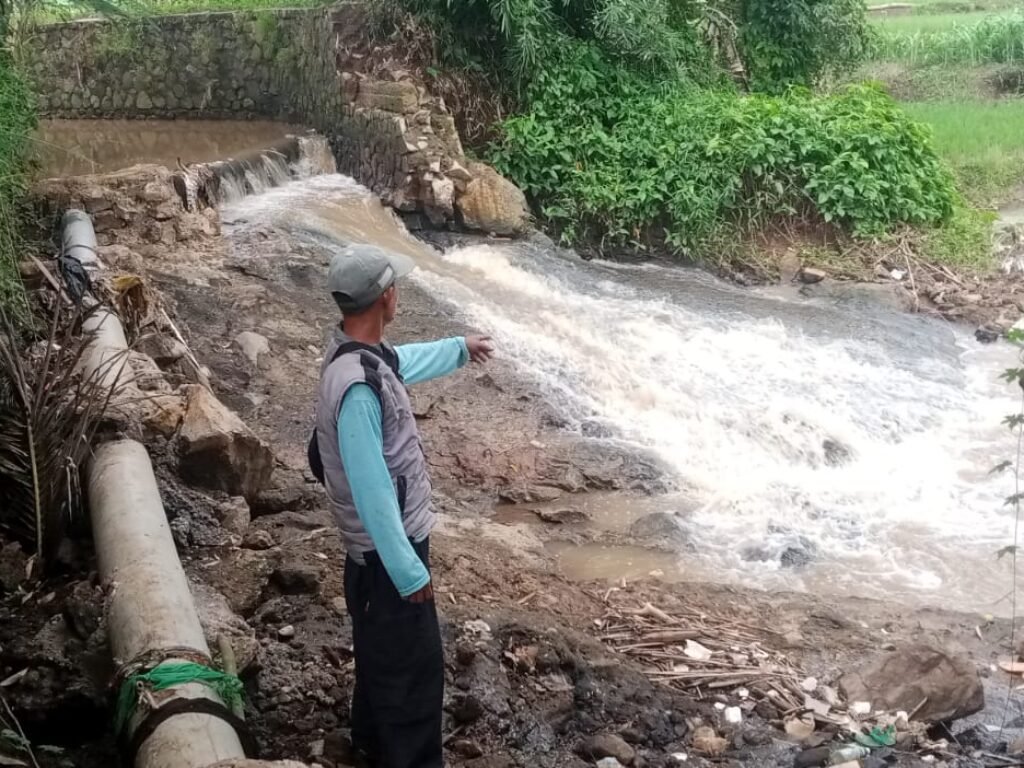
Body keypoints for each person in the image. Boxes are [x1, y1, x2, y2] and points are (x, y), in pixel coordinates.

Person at [313, 243, 494, 768]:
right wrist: (409, 571)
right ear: (386, 297)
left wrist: (459, 348)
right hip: (386, 558)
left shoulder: (355, 357)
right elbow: (372, 492)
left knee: (382, 654)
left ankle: (369, 744)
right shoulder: (358, 391)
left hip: (374, 559)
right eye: (397, 286)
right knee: (414, 670)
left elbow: (399, 363)